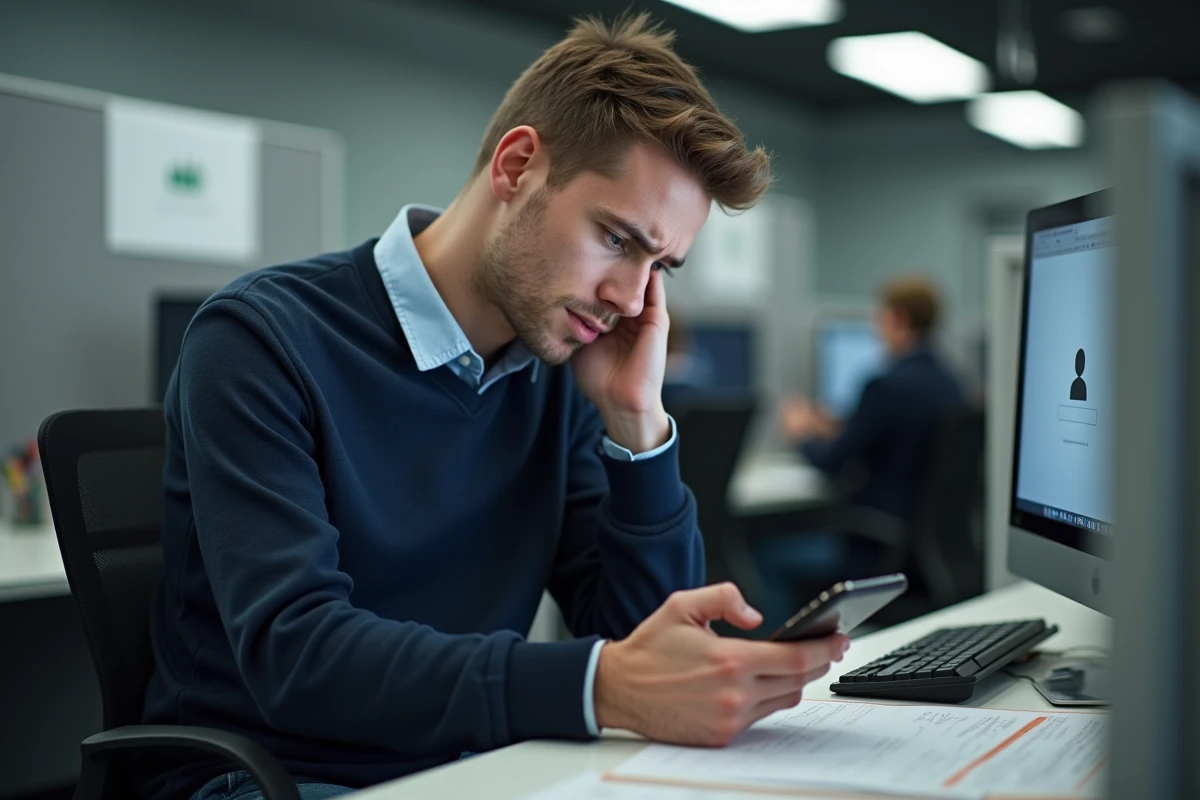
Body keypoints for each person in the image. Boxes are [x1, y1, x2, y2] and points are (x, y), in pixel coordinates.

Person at [137, 15, 850, 800]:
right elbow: (297, 653)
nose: (631, 297)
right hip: (271, 778)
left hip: (475, 766)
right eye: (617, 239)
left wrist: (635, 425)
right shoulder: (262, 337)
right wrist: (600, 685)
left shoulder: (557, 372)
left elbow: (643, 644)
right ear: (517, 166)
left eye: (661, 267)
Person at [761, 277, 965, 620]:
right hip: (925, 548)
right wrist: (843, 425)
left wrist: (800, 435)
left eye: (880, 319)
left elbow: (833, 462)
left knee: (765, 556)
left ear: (898, 319)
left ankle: (773, 660)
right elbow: (898, 439)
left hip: (874, 546)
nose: (877, 330)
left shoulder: (885, 385)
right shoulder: (951, 384)